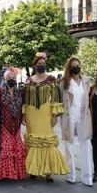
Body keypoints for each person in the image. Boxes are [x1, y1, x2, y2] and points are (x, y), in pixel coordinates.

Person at [23, 52, 68, 182]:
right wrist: (24, 115)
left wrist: (54, 115)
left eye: (43, 63)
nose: (42, 65)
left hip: (45, 112)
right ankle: (33, 170)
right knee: (33, 141)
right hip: (31, 114)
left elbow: (55, 98)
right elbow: (25, 99)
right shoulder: (28, 80)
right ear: (35, 65)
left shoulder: (51, 79)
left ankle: (48, 171)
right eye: (39, 63)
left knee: (47, 140)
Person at [60, 57, 93, 187]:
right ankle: (71, 175)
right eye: (73, 66)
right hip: (69, 116)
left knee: (86, 145)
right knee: (69, 145)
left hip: (83, 116)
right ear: (69, 67)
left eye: (77, 65)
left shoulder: (86, 81)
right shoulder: (64, 82)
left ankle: (87, 177)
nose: (75, 67)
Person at [0, 67, 27, 180]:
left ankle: (16, 173)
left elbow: (23, 106)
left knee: (17, 147)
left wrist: (24, 117)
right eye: (9, 78)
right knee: (5, 148)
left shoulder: (20, 91)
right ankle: (3, 173)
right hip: (4, 124)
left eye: (13, 77)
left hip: (17, 124)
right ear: (4, 79)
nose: (11, 79)